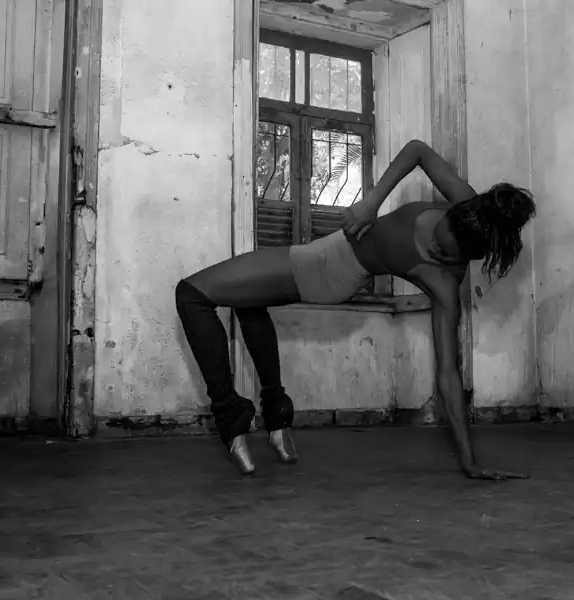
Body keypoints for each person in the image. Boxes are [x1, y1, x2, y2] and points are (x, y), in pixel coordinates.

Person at [175, 139, 536, 479]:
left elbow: (448, 375)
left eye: (443, 253)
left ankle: (231, 416)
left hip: (329, 272)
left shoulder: (444, 286)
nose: (435, 248)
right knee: (246, 300)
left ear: (466, 257)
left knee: (191, 294)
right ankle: (277, 414)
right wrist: (371, 202)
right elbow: (417, 151)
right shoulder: (468, 203)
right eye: (440, 236)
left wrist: (469, 462)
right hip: (327, 249)